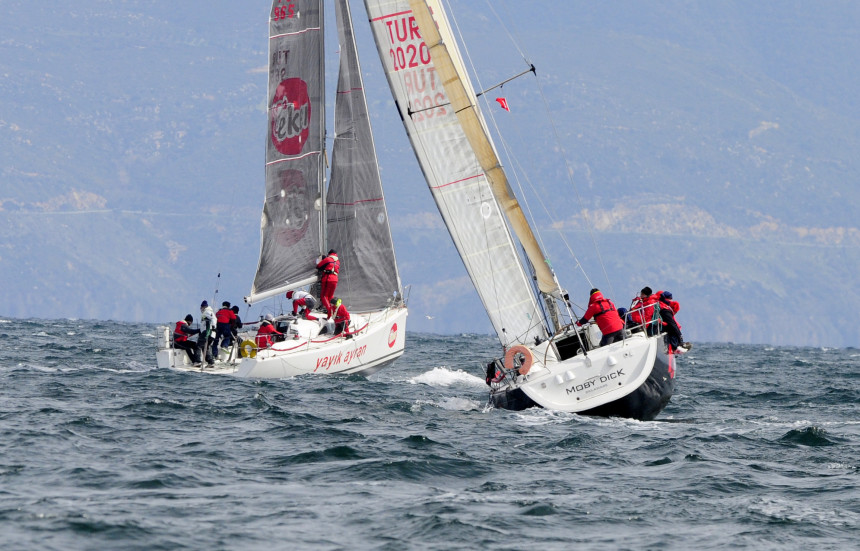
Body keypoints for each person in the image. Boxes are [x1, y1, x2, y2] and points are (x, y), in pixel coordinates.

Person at [316, 249, 340, 318]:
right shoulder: (337, 261)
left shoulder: (328, 259)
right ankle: (335, 310)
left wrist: (322, 259)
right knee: (330, 296)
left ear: (329, 254)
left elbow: (318, 266)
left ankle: (329, 311)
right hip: (335, 279)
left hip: (328, 278)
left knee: (324, 296)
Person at [199, 300, 217, 365]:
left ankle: (197, 361)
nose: (200, 309)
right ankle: (210, 362)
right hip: (211, 333)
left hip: (208, 332)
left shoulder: (207, 312)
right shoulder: (208, 312)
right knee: (205, 347)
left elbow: (213, 319)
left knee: (199, 345)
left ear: (203, 307)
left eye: (201, 307)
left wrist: (213, 327)